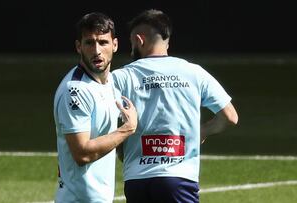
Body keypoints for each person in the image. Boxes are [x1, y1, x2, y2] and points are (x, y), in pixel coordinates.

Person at [112, 9, 238, 203]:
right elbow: (230, 116)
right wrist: (202, 131)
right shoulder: (194, 73)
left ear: (139, 40)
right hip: (179, 178)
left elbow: (105, 122)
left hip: (137, 180)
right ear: (167, 41)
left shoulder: (121, 77)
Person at [53, 12, 137, 203]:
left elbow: (109, 140)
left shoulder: (111, 84)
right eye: (89, 43)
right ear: (78, 47)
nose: (97, 50)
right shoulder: (75, 90)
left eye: (103, 42)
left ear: (114, 45)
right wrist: (126, 130)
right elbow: (81, 153)